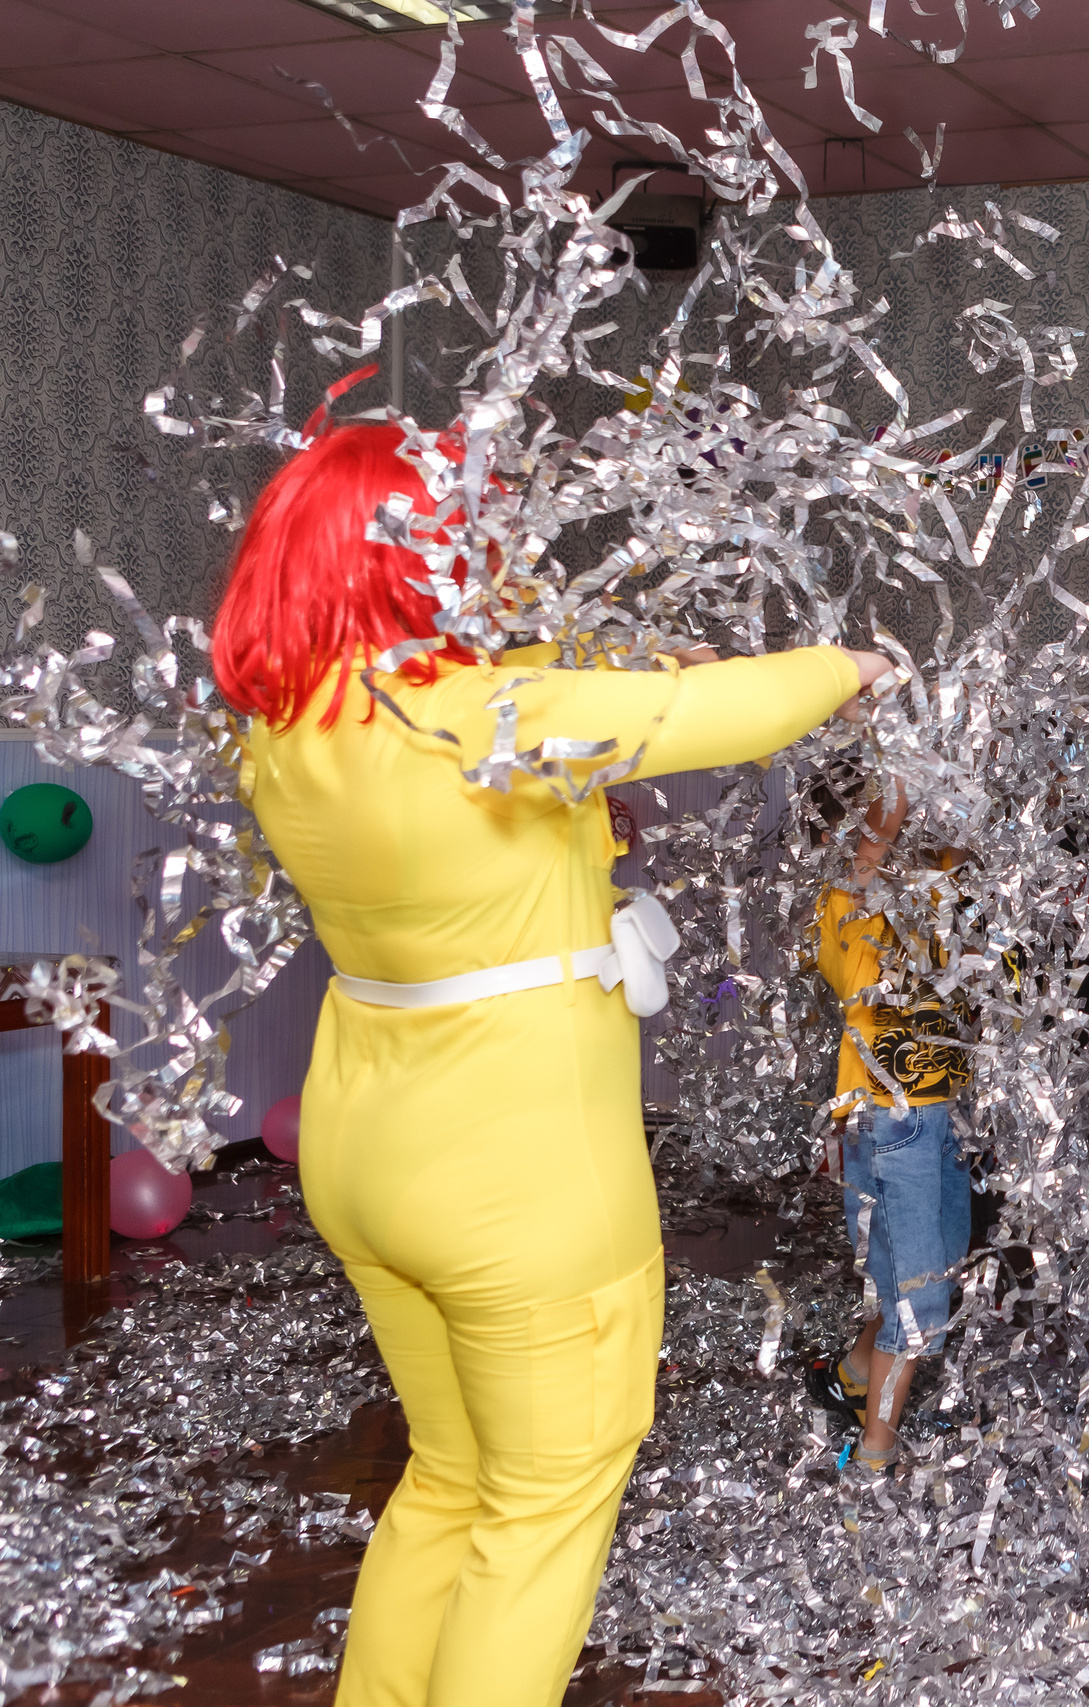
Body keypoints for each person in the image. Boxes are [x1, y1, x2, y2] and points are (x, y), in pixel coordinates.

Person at [212, 422, 898, 1707]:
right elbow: (712, 713)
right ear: (421, 553)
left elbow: (516, 702)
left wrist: (614, 670)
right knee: (539, 1512)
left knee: (453, 1479)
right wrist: (851, 663)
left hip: (371, 1155)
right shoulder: (493, 715)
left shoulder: (288, 723)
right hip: (514, 1183)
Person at [802, 776, 979, 1474]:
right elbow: (871, 847)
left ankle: (851, 1372)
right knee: (917, 1291)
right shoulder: (845, 903)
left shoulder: (940, 885)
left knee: (929, 1261)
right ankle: (873, 1453)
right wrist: (897, 781)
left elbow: (968, 838)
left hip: (939, 1118)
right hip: (891, 1121)